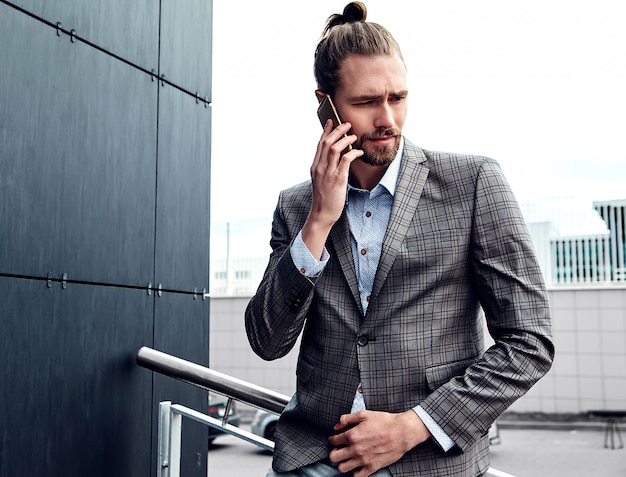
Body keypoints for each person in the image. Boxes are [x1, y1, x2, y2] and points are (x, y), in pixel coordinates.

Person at [245, 2, 554, 476]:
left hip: (427, 461)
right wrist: (318, 223)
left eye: (398, 97)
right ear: (325, 104)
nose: (387, 118)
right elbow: (267, 341)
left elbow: (530, 341)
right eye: (367, 102)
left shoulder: (473, 184)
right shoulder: (295, 206)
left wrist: (415, 425)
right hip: (314, 459)